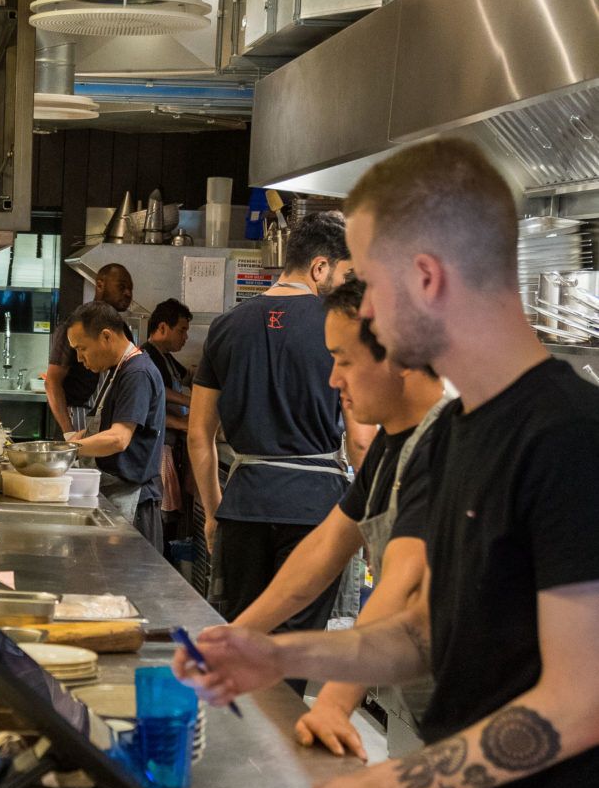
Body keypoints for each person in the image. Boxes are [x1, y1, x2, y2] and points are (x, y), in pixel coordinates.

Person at [174, 139, 599, 788]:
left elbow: (579, 702)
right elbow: (425, 631)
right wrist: (276, 652)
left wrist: (384, 784)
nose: (360, 309)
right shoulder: (458, 434)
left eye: (368, 281)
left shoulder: (566, 440)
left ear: (426, 278)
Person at [232, 275, 446, 759]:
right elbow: (326, 546)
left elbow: (402, 587)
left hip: (480, 719)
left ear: (398, 356)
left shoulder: (445, 444)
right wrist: (238, 634)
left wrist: (332, 704)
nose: (333, 380)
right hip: (424, 705)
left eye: (344, 360)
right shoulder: (393, 441)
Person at [188, 210, 352, 628]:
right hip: (315, 511)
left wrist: (214, 512)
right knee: (296, 643)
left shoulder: (225, 326)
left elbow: (198, 435)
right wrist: (368, 521)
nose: (347, 287)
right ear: (320, 267)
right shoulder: (340, 327)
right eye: (346, 275)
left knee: (244, 634)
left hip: (244, 508)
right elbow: (363, 440)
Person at [64, 301, 167, 543]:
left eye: (82, 348)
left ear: (106, 336)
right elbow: (107, 427)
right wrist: (83, 436)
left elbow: (118, 439)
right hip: (115, 494)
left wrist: (64, 450)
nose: (79, 358)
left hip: (133, 502)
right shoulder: (118, 370)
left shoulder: (137, 373)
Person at [44, 265, 150, 435]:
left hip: (109, 419)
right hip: (77, 416)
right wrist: (69, 433)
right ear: (100, 284)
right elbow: (52, 381)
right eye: (122, 286)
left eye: (130, 289)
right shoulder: (75, 326)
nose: (128, 293)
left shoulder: (123, 330)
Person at [143, 298, 193, 541]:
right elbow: (156, 398)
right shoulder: (147, 355)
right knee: (161, 519)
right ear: (163, 328)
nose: (185, 337)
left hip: (171, 445)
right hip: (158, 448)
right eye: (181, 330)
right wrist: (188, 414)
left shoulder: (166, 357)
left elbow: (187, 378)